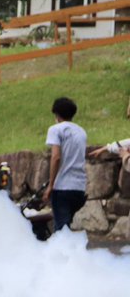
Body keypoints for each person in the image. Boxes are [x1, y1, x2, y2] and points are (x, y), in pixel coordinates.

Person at [44, 96, 88, 233]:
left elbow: (56, 157)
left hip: (63, 187)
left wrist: (51, 185)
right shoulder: (81, 131)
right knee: (66, 227)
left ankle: (65, 254)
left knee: (61, 232)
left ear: (56, 114)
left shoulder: (56, 130)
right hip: (79, 189)